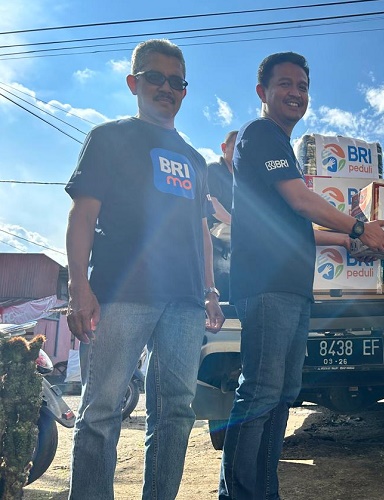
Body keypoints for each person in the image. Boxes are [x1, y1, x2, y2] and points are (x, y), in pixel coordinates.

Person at [219, 51, 384, 500]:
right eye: (285, 84)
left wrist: (351, 239)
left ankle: (263, 490)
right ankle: (237, 494)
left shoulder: (277, 146)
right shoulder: (262, 134)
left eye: (302, 86)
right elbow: (301, 202)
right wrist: (359, 227)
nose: (295, 93)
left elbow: (296, 226)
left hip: (292, 288)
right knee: (260, 392)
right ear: (262, 92)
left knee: (282, 394)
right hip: (267, 285)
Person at [64, 39, 224, 500]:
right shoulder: (109, 136)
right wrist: (79, 286)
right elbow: (82, 215)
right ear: (134, 82)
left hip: (186, 301)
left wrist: (210, 291)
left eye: (176, 81)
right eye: (155, 77)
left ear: (184, 91)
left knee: (175, 410)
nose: (166, 87)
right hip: (120, 292)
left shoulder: (196, 160)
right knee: (102, 410)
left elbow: (201, 234)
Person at [207, 130, 238, 302]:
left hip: (234, 228)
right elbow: (213, 204)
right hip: (215, 228)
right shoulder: (214, 170)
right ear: (224, 148)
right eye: (235, 148)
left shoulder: (243, 178)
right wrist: (238, 225)